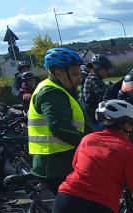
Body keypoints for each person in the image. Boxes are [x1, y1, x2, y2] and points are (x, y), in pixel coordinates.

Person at [28, 48, 90, 192]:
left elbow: (82, 122)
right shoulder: (51, 93)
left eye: (80, 73)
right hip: (55, 165)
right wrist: (91, 144)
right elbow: (60, 128)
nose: (79, 78)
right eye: (74, 74)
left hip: (64, 159)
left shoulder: (63, 89)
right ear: (58, 73)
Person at [80, 54, 113, 130]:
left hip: (90, 115)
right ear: (97, 67)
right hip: (93, 119)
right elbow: (106, 95)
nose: (107, 72)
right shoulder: (93, 79)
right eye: (105, 69)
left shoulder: (90, 77)